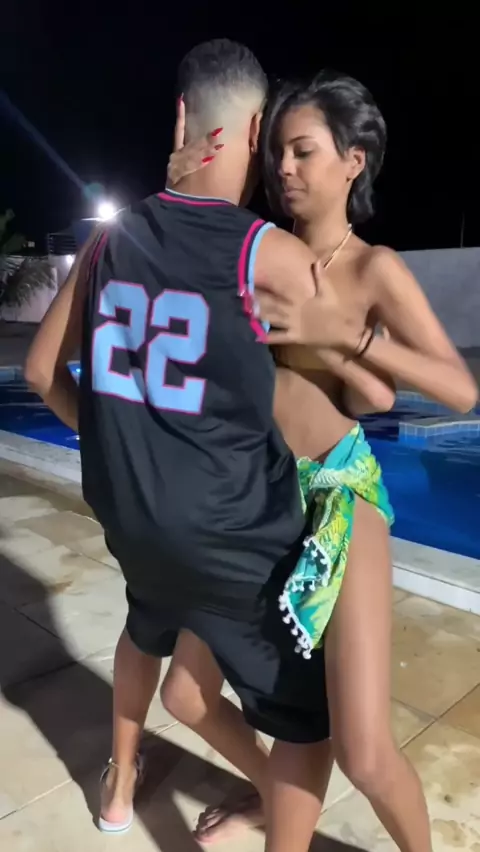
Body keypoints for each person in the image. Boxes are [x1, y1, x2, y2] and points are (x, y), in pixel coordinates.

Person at [24, 40, 375, 852]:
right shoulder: (270, 254)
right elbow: (353, 396)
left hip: (135, 528)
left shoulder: (108, 241)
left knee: (147, 628)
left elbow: (41, 372)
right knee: (310, 727)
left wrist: (115, 450)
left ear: (181, 117)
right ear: (256, 133)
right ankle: (278, 802)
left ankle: (118, 791)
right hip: (234, 545)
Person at [159, 70, 478, 852]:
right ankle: (274, 795)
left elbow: (459, 389)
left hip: (337, 495)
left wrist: (345, 336)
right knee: (186, 695)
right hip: (254, 499)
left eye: (302, 151)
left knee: (364, 752)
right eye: (277, 152)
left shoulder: (374, 269)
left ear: (353, 160)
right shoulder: (257, 251)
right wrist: (181, 189)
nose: (284, 168)